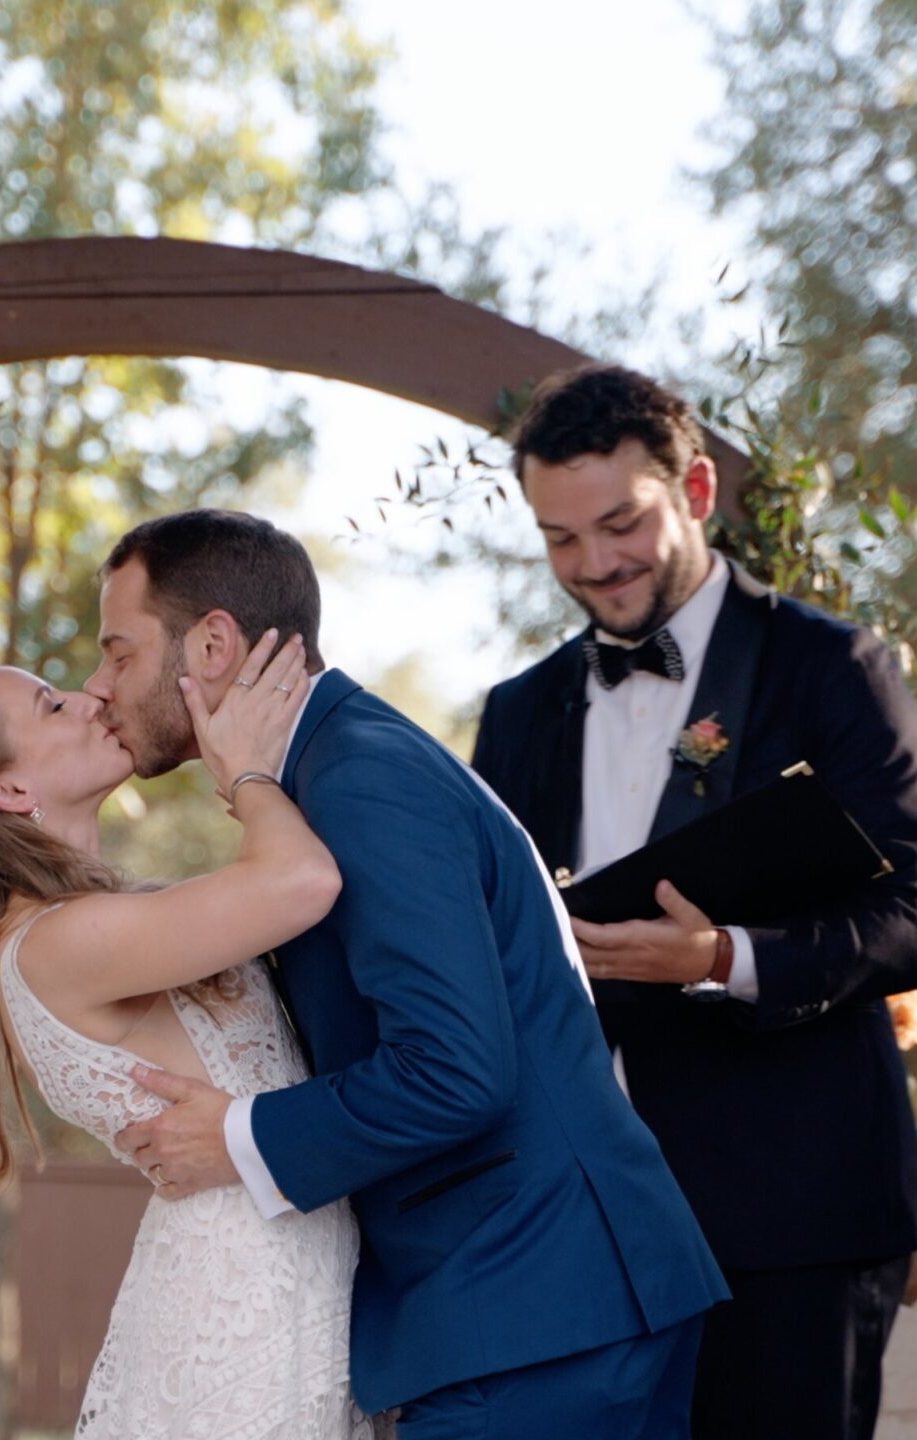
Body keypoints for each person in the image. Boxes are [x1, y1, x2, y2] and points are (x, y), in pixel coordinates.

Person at [91, 509, 728, 1439]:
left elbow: (456, 1068)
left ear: (215, 644)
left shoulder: (359, 777)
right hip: (530, 1304)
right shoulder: (334, 765)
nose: (100, 684)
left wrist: (237, 1137)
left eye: (119, 653)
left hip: (537, 1308)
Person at [469, 364, 917, 1440]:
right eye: (560, 540)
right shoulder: (519, 712)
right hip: (580, 1222)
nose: (594, 565)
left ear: (692, 492)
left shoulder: (831, 668)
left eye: (619, 524)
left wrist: (719, 958)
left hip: (796, 1216)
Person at [0, 628, 379, 1439]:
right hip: (241, 1316)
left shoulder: (94, 923)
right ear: (6, 789)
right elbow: (303, 880)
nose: (87, 695)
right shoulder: (53, 945)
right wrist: (243, 766)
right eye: (51, 703)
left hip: (281, 1286)